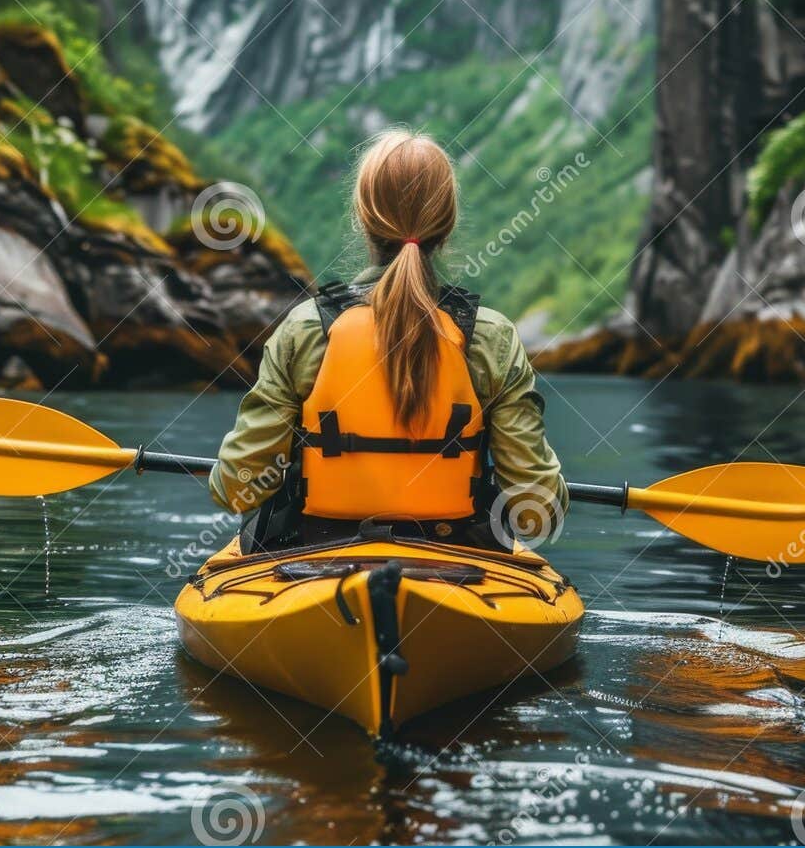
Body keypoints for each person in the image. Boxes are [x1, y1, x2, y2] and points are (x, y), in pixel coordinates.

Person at [209, 129, 568, 549]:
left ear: (363, 219)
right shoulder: (492, 339)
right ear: (447, 225)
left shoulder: (304, 330)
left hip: (315, 557)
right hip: (454, 563)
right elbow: (537, 511)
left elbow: (236, 489)